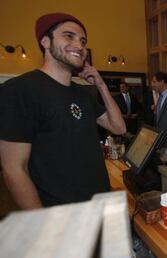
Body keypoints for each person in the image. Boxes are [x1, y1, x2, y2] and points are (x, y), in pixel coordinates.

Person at [0, 13, 126, 209]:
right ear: (45, 41)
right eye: (69, 36)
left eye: (82, 41)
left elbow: (118, 127)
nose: (79, 45)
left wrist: (101, 85)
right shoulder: (20, 90)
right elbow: (14, 170)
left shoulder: (83, 93)